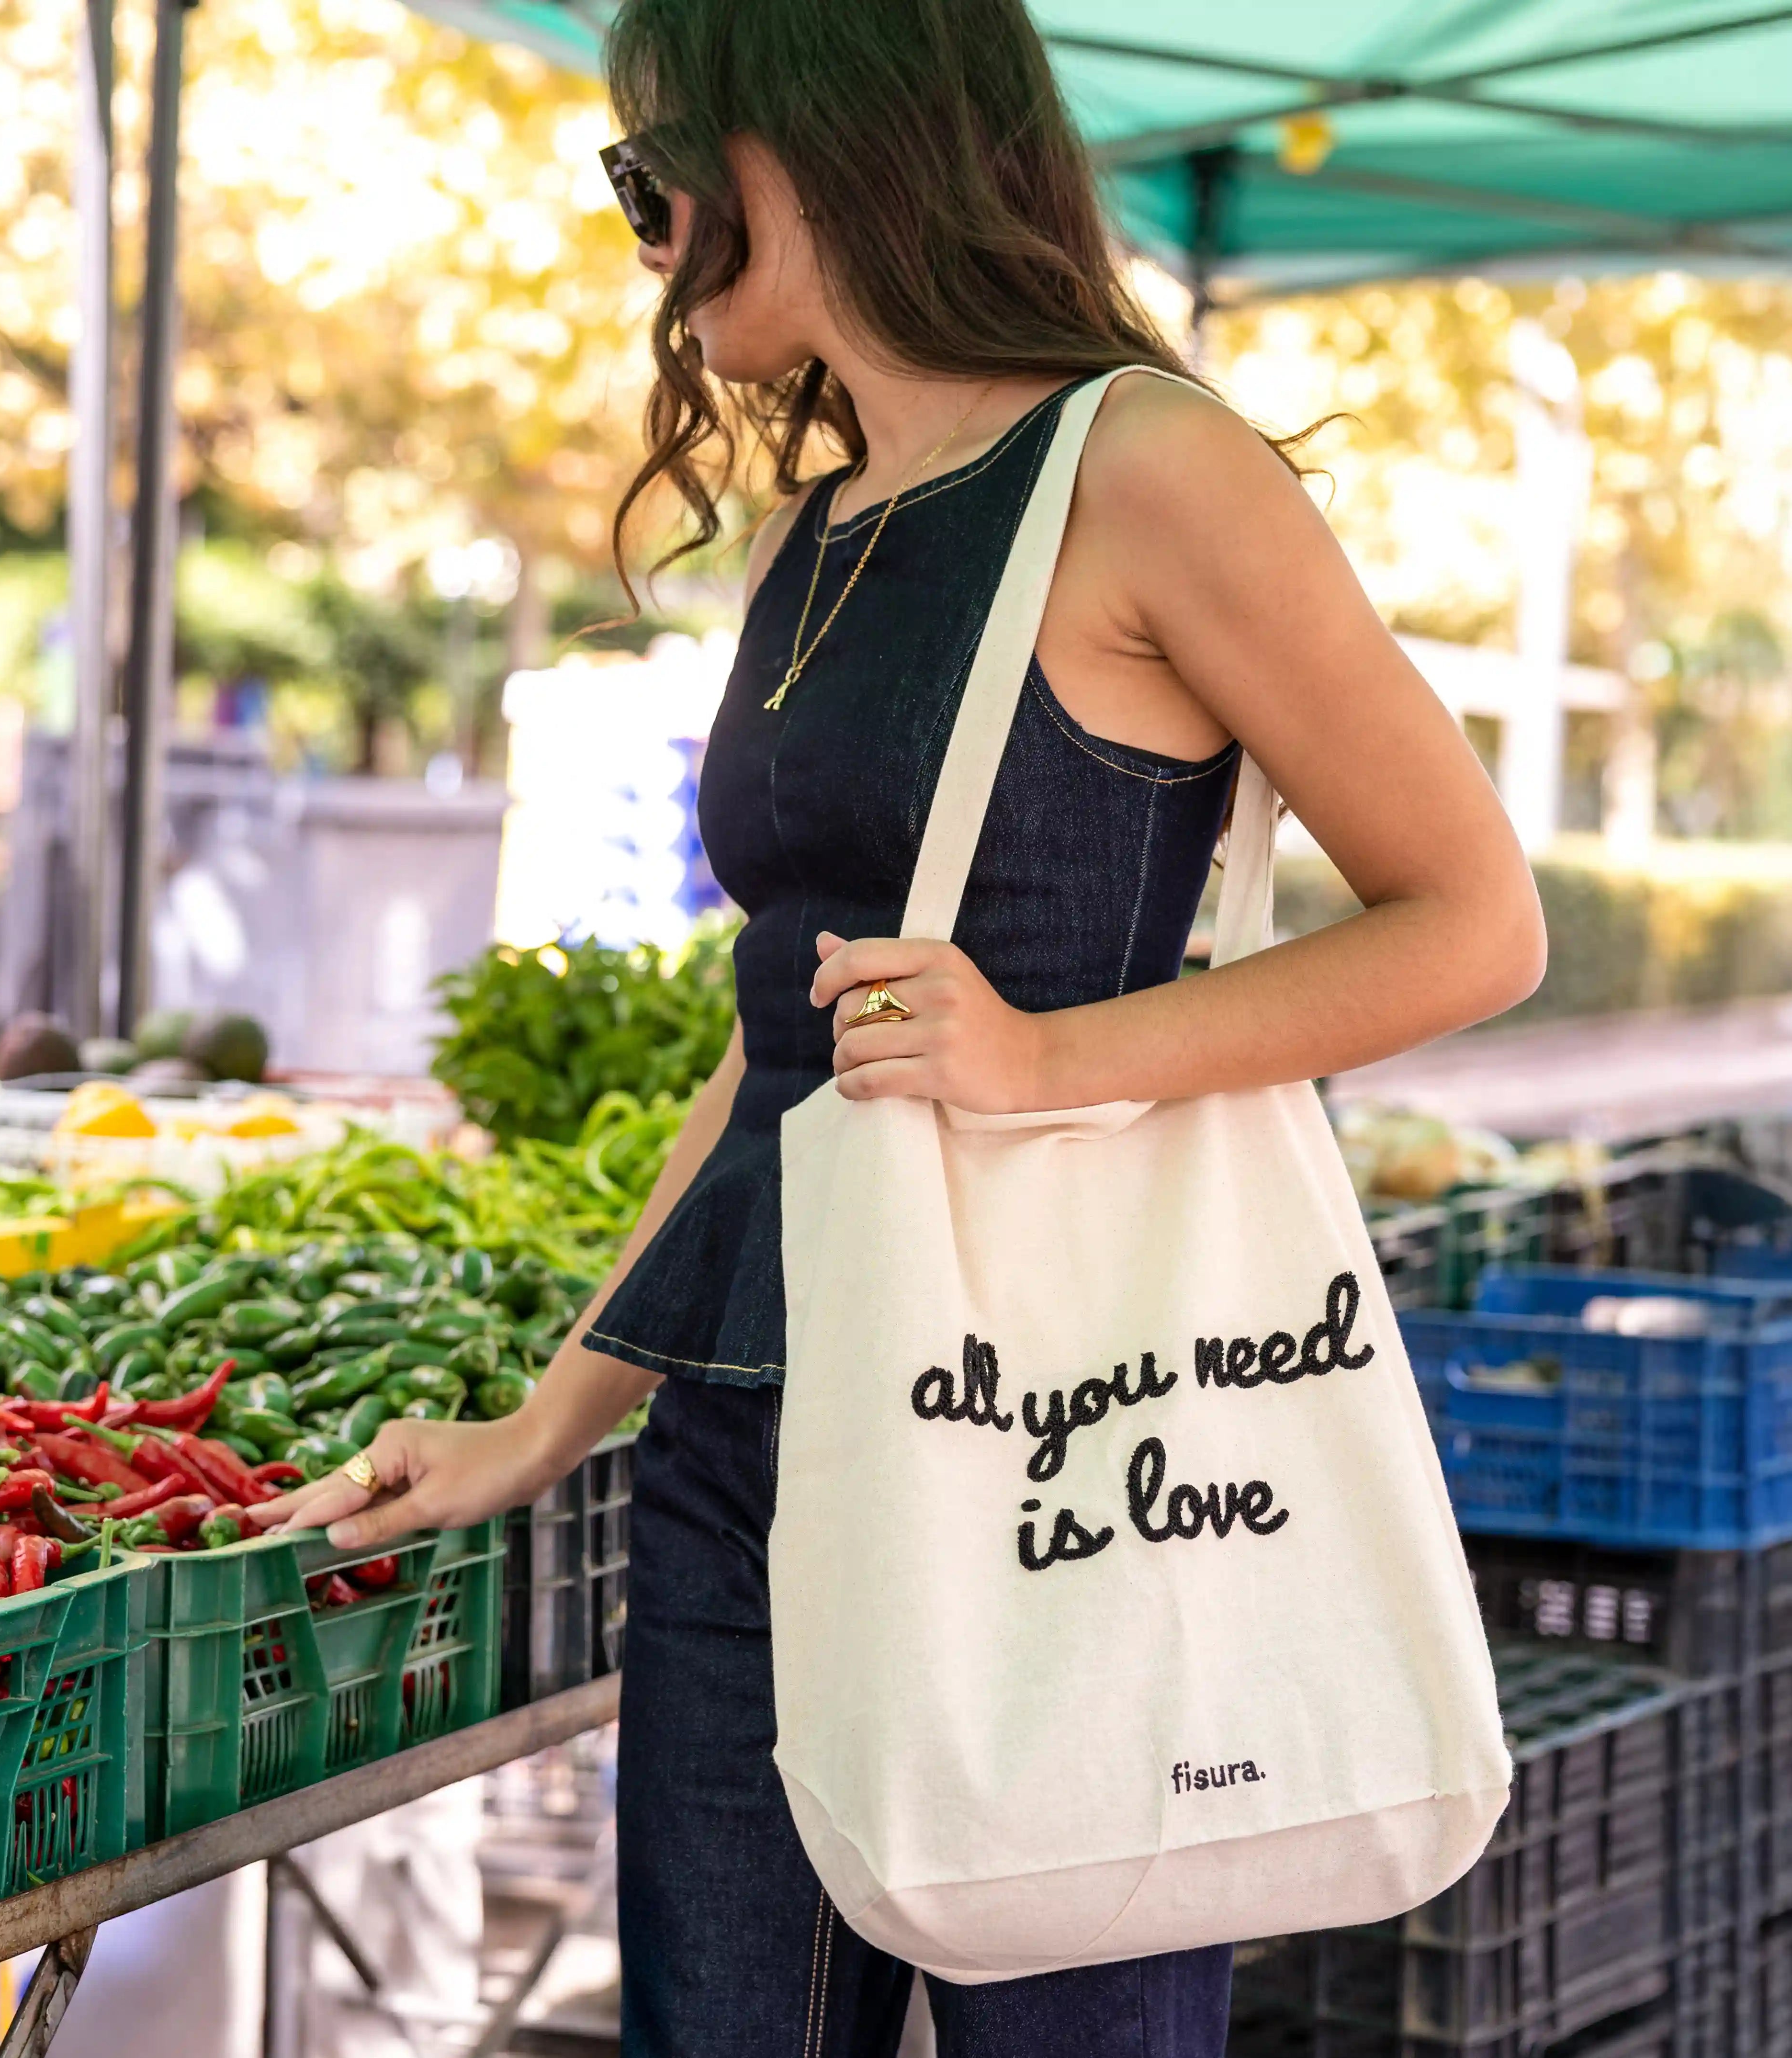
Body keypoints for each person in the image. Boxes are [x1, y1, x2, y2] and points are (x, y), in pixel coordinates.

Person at [253, 0, 1547, 2049]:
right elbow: (784, 1054)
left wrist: (1046, 1058)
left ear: (811, 140)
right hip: (753, 1458)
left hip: (1064, 1444)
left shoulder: (1147, 468)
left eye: (648, 179)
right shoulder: (816, 533)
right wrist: (547, 1421)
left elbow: (1473, 922)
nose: (649, 244)